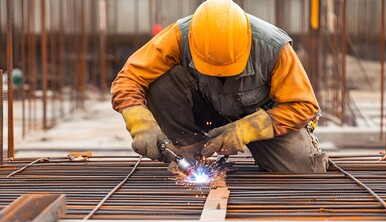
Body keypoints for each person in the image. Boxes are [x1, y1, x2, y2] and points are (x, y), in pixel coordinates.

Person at [111, 0, 327, 172]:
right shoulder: (178, 36)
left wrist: (246, 129)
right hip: (205, 108)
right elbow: (129, 78)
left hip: (262, 118)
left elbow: (304, 106)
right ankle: (189, 153)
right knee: (158, 79)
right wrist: (140, 123)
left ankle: (259, 142)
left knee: (303, 167)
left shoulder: (273, 48)